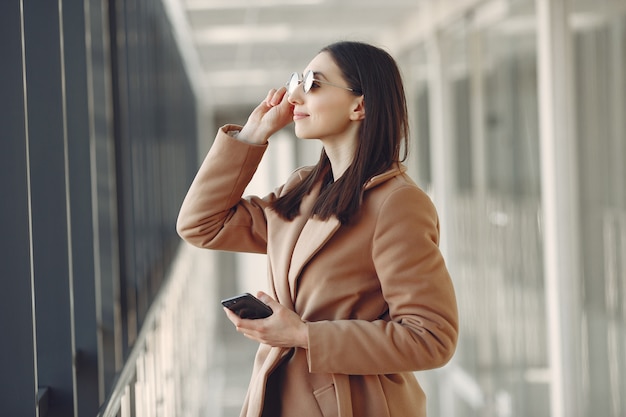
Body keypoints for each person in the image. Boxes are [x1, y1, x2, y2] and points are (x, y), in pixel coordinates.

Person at [176, 41, 458, 417]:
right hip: (278, 395)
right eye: (297, 81)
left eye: (313, 84)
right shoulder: (301, 191)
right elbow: (201, 225)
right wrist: (251, 136)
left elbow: (431, 337)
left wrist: (303, 335)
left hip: (353, 404)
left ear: (359, 105)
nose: (293, 95)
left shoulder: (398, 203)